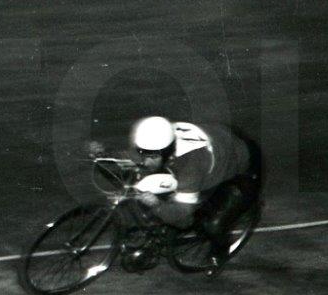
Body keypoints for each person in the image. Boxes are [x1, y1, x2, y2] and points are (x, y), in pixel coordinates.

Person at [91, 116, 260, 271]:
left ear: (167, 153)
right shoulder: (155, 139)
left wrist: (157, 205)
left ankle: (219, 253)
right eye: (143, 153)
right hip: (221, 141)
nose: (145, 161)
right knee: (151, 182)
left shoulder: (190, 168)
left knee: (213, 225)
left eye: (151, 157)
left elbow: (185, 220)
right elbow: (132, 158)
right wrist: (105, 154)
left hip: (242, 170)